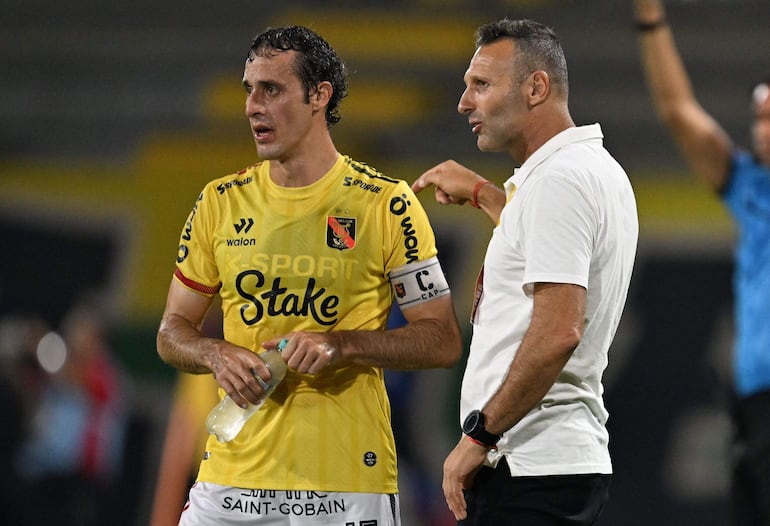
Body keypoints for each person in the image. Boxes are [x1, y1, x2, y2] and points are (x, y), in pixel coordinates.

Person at [155, 24, 462, 526]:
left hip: (343, 486)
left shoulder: (385, 204)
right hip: (230, 485)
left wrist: (342, 345)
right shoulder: (219, 203)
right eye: (248, 90)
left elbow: (443, 339)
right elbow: (171, 331)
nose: (253, 105)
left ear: (319, 96)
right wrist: (214, 353)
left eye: (271, 90)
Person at [412, 18, 639, 525]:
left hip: (529, 466)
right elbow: (541, 243)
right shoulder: (592, 169)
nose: (464, 103)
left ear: (536, 87)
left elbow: (559, 330)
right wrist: (488, 196)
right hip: (552, 465)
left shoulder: (558, 182)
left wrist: (479, 436)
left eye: (482, 85)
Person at [632, 1, 770, 524]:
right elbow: (678, 110)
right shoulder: (752, 187)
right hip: (754, 405)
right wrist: (651, 21)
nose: (762, 131)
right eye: (758, 118)